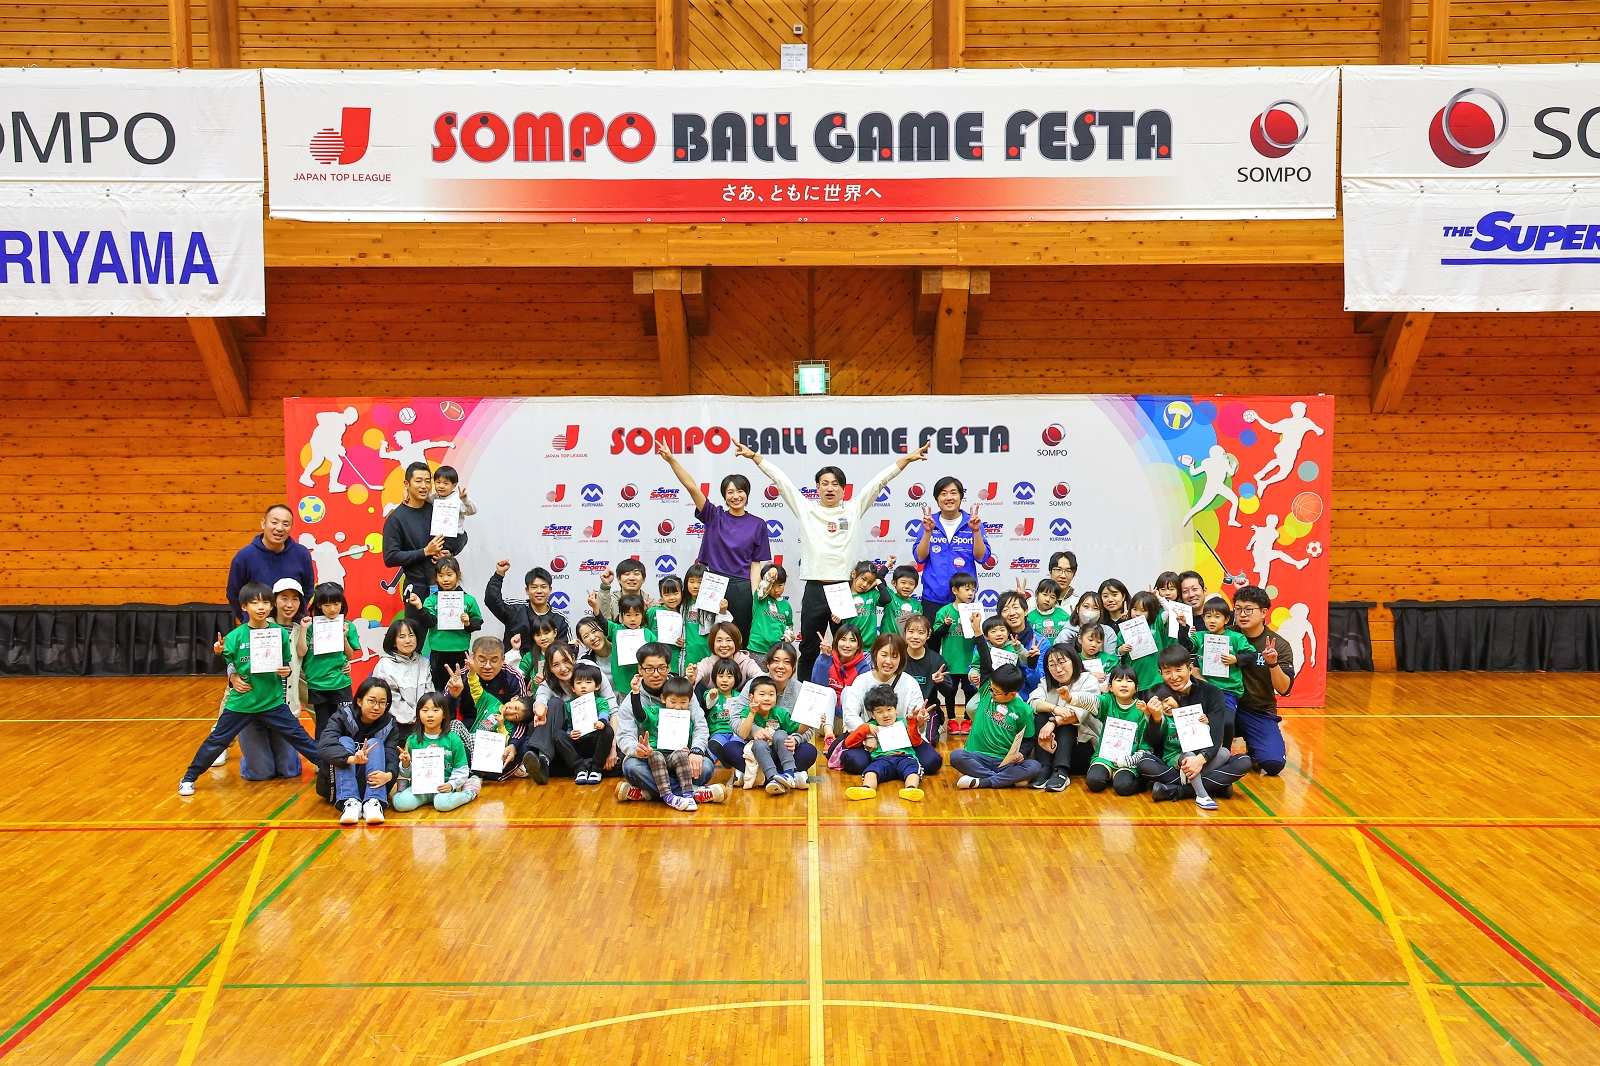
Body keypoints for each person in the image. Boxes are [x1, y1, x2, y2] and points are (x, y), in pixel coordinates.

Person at [739, 439, 929, 681]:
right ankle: (806, 694)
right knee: (809, 646)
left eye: (835, 484)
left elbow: (879, 481)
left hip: (843, 590)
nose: (830, 488)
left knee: (848, 646)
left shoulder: (853, 509)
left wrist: (907, 459)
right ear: (817, 487)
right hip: (815, 589)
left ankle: (848, 693)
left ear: (843, 489)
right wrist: (755, 457)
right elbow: (781, 480)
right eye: (825, 484)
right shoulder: (807, 509)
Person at [179, 582, 322, 796]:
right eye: (254, 603)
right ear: (244, 607)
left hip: (272, 702)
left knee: (300, 738)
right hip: (242, 703)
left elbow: (286, 664)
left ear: (271, 606)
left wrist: (286, 670)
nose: (261, 607)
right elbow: (221, 666)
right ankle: (189, 777)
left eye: (265, 602)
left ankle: (332, 768)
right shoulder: (235, 636)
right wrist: (218, 655)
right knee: (217, 740)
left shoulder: (279, 634)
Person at [657, 442, 771, 639]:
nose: (736, 496)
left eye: (740, 491)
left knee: (739, 637)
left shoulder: (758, 524)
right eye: (730, 492)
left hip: (742, 588)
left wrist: (755, 598)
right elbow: (692, 487)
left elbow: (755, 565)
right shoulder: (714, 516)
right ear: (724, 496)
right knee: (709, 636)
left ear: (747, 493)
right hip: (712, 583)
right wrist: (671, 460)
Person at [1137, 645, 1252, 809]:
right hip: (1173, 760)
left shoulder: (1213, 693)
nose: (1174, 677)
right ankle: (1216, 786)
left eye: (1179, 670)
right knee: (1144, 763)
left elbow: (1217, 736)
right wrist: (1155, 719)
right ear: (1160, 673)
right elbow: (1152, 742)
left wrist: (1200, 759)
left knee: (1243, 761)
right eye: (1167, 672)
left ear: (1190, 668)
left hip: (1205, 758)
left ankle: (1176, 790)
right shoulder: (1158, 694)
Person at [614, 657, 725, 809]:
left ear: (668, 668)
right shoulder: (653, 711)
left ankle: (648, 793)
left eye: (661, 668)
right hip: (652, 760)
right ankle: (693, 792)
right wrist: (635, 693)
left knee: (706, 767)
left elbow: (701, 727)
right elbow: (639, 715)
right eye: (649, 668)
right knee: (632, 767)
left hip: (680, 759)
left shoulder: (685, 696)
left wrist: (695, 751)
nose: (678, 706)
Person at [232, 577, 309, 781]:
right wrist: (232, 675)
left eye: (295, 599)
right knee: (261, 773)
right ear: (274, 602)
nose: (289, 604)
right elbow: (234, 659)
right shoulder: (257, 626)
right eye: (284, 598)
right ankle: (251, 758)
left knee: (289, 771)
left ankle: (275, 755)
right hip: (253, 709)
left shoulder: (302, 630)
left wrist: (343, 665)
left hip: (283, 710)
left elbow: (308, 669)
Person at [838, 632, 939, 777]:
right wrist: (868, 734)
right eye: (884, 655)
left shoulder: (910, 683)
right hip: (872, 740)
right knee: (855, 762)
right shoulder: (862, 681)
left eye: (894, 656)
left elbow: (916, 723)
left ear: (901, 658)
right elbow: (850, 715)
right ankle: (888, 764)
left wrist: (920, 722)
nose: (888, 661)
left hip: (904, 741)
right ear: (875, 654)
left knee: (932, 762)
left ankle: (892, 764)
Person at [383, 461, 469, 622]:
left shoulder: (438, 508)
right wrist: (425, 552)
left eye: (427, 481)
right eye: (418, 481)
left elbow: (462, 536)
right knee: (416, 634)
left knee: (448, 633)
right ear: (407, 484)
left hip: (446, 587)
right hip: (417, 588)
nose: (424, 486)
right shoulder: (396, 518)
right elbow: (390, 557)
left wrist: (450, 551)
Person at [910, 476, 993, 626]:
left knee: (965, 640)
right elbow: (919, 557)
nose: (949, 497)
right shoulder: (929, 522)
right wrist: (928, 532)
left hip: (964, 598)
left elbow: (982, 558)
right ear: (937, 499)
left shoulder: (972, 522)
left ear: (961, 497)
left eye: (953, 493)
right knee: (932, 639)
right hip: (933, 598)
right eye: (943, 493)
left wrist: (975, 531)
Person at [1231, 585, 1294, 776]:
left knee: (1273, 765)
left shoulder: (1279, 645)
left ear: (1264, 612)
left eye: (1248, 609)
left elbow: (1284, 689)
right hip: (1226, 707)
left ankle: (1254, 751)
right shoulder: (1224, 636)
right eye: (1238, 609)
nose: (1242, 614)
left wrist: (1273, 663)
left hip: (1258, 711)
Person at [318, 677, 399, 825]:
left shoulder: (390, 724)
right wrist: (351, 759)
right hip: (341, 783)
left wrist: (389, 775)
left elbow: (392, 754)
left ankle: (373, 802)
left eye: (382, 702)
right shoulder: (342, 716)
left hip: (374, 782)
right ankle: (350, 802)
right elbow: (325, 746)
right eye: (371, 701)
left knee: (375, 743)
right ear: (359, 701)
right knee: (345, 741)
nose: (376, 707)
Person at [532, 647, 617, 784]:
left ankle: (590, 767)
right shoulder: (552, 685)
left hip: (597, 738)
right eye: (556, 664)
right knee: (554, 708)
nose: (563, 668)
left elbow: (610, 710)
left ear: (573, 658)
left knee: (618, 756)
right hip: (574, 741)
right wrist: (540, 712)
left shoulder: (590, 670)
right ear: (550, 668)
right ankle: (547, 759)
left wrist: (612, 749)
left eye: (566, 661)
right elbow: (541, 698)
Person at [952, 664, 1041, 790]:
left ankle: (983, 781)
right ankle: (1004, 780)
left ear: (1012, 694)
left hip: (1005, 762)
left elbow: (1029, 739)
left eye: (996, 692)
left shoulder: (1024, 710)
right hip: (978, 757)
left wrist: (1022, 753)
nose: (992, 693)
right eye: (991, 689)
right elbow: (985, 662)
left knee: (1035, 766)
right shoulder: (986, 693)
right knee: (956, 756)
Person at [1028, 645, 1101, 792]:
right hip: (1052, 748)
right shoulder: (1047, 682)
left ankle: (1061, 771)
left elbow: (1077, 714)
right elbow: (1033, 701)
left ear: (1073, 660)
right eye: (1052, 665)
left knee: (1067, 720)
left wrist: (1053, 722)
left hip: (1082, 749)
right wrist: (1055, 708)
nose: (1058, 669)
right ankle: (1044, 767)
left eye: (1062, 662)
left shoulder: (1088, 681)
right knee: (1042, 714)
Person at [226, 505, 315, 624]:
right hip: (257, 628)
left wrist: (295, 614)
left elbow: (308, 590)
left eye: (286, 524)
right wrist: (249, 620)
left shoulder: (302, 554)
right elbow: (234, 595)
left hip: (292, 626)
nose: (280, 528)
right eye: (274, 522)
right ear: (263, 523)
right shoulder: (244, 556)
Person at [295, 581, 361, 736]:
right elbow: (301, 652)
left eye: (336, 604)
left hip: (340, 683)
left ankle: (342, 750)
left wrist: (343, 637)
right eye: (327, 605)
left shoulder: (347, 626)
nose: (332, 609)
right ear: (319, 605)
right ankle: (323, 752)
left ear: (342, 603)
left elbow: (350, 655)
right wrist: (303, 630)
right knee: (322, 724)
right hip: (317, 684)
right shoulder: (310, 626)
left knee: (342, 722)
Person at [393, 693, 477, 813]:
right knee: (401, 804)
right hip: (419, 789)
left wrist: (451, 784)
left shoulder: (453, 739)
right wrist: (406, 763)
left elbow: (461, 769)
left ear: (444, 714)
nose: (430, 715)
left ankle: (469, 792)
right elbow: (406, 773)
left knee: (442, 804)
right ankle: (403, 789)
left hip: (443, 788)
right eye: (425, 710)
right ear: (418, 714)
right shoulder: (412, 740)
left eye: (435, 710)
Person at [409, 556, 483, 692]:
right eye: (441, 575)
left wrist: (468, 622)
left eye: (449, 575)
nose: (445, 579)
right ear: (436, 577)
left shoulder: (468, 600)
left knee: (462, 686)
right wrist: (419, 607)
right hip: (438, 650)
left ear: (458, 575)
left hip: (460, 650)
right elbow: (429, 622)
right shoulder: (431, 600)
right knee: (439, 687)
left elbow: (478, 622)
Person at [843, 683, 926, 802]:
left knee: (913, 770)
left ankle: (911, 789)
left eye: (889, 709)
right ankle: (867, 788)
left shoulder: (904, 722)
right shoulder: (871, 726)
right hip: (881, 759)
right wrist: (865, 729)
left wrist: (913, 723)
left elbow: (916, 742)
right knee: (871, 771)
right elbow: (848, 743)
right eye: (879, 712)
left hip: (905, 757)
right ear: (872, 714)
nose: (886, 715)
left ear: (896, 709)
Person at [1084, 665, 1155, 796]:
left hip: (1129, 761)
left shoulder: (1142, 709)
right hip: (1106, 757)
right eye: (1119, 680)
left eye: (1129, 681)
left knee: (1123, 787)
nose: (1124, 684)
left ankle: (1137, 779)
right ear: (1110, 687)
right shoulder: (1108, 701)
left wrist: (1128, 761)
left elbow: (1146, 748)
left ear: (1137, 688)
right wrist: (1070, 698)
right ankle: (1110, 774)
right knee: (1094, 782)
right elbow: (1091, 700)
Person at [736, 675, 808, 795]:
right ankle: (773, 778)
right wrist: (752, 713)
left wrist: (811, 721)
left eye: (771, 694)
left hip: (780, 753)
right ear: (751, 697)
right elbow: (743, 734)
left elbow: (799, 729)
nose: (767, 698)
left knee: (781, 734)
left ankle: (789, 774)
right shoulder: (747, 712)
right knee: (756, 744)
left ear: (776, 696)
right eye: (762, 694)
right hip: (759, 755)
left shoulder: (780, 713)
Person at [931, 572, 979, 735]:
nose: (971, 593)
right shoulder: (944, 611)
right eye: (967, 589)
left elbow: (981, 635)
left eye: (973, 590)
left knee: (969, 690)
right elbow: (936, 635)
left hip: (970, 661)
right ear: (955, 590)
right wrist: (945, 625)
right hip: (950, 661)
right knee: (950, 691)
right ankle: (951, 719)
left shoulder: (976, 611)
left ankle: (966, 719)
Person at [485, 563, 570, 648]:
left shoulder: (560, 619)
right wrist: (499, 575)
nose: (539, 591)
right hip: (516, 656)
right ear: (527, 590)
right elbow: (492, 601)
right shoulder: (515, 610)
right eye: (534, 587)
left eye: (543, 587)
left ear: (550, 590)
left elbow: (567, 648)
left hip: (548, 657)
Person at [1190, 596, 1250, 712]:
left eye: (1217, 617)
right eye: (1208, 616)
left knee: (1226, 720)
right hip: (1204, 688)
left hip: (1228, 690)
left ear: (1226, 619)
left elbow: (1251, 655)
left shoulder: (1237, 638)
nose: (1212, 620)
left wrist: (1236, 659)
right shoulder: (1199, 636)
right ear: (1203, 618)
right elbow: (1186, 646)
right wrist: (1183, 627)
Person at [370, 617, 430, 725]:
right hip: (396, 724)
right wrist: (418, 718)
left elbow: (430, 694)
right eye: (402, 637)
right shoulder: (385, 665)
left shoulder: (424, 663)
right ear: (394, 642)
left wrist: (427, 717)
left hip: (424, 722)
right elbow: (392, 701)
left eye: (411, 635)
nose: (408, 640)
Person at [811, 623, 867, 736]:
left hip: (851, 724)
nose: (847, 645)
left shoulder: (863, 667)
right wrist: (825, 658)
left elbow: (863, 702)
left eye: (852, 640)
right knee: (829, 691)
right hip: (824, 722)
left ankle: (846, 735)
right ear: (836, 642)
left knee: (849, 690)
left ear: (858, 645)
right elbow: (817, 690)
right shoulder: (827, 660)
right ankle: (829, 737)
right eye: (843, 639)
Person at [899, 614, 948, 740]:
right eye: (911, 631)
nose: (915, 637)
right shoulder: (897, 657)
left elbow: (948, 692)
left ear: (928, 635)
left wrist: (940, 682)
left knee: (927, 740)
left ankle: (937, 724)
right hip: (901, 707)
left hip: (927, 708)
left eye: (921, 633)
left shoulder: (936, 660)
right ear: (905, 633)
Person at [1120, 591, 1174, 694]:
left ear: (1151, 611)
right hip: (1135, 678)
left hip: (1155, 679)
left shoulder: (1156, 623)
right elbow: (1118, 652)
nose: (1137, 613)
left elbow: (1170, 611)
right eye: (1134, 609)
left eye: (1143, 610)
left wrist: (1159, 598)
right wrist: (1122, 649)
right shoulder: (1124, 629)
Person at [834, 561, 888, 646]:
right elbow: (839, 622)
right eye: (863, 579)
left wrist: (878, 582)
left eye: (870, 582)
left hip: (870, 647)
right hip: (851, 647)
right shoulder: (843, 596)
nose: (865, 584)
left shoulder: (872, 594)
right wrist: (836, 619)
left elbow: (886, 599)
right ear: (854, 574)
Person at [747, 564, 794, 656]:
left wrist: (788, 636)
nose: (776, 590)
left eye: (780, 585)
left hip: (776, 651)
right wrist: (769, 576)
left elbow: (789, 625)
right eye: (772, 586)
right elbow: (763, 588)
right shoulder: (760, 598)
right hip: (757, 648)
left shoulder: (786, 605)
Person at [1026, 579, 1072, 644]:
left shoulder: (1064, 616)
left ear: (1056, 599)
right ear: (1037, 593)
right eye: (1045, 595)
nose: (1047, 599)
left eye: (1052, 597)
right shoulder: (1030, 617)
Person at [882, 564, 923, 636]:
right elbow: (880, 578)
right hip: (887, 640)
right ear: (894, 583)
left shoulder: (917, 605)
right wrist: (888, 563)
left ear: (915, 586)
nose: (907, 586)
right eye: (903, 582)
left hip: (907, 641)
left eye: (911, 584)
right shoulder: (890, 596)